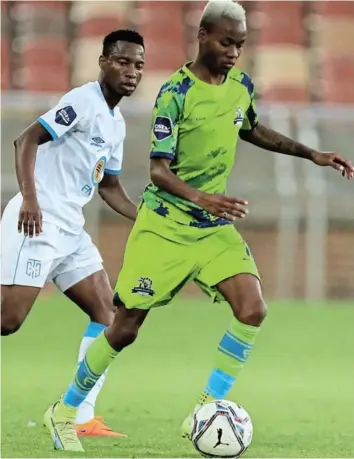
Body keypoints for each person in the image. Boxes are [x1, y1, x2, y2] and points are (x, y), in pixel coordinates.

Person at [43, 0, 354, 452]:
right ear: (203, 36)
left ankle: (206, 409)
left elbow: (251, 128)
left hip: (211, 228)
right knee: (125, 327)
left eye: (241, 45)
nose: (233, 52)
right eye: (226, 42)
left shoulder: (241, 86)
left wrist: (313, 154)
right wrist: (204, 196)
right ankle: (65, 410)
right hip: (164, 226)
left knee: (252, 309)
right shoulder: (176, 92)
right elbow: (158, 171)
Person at [1, 29, 145, 441]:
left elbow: (110, 186)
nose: (131, 71)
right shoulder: (84, 101)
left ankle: (79, 415)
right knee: (8, 321)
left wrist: (146, 219)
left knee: (109, 315)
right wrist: (31, 199)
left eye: (137, 64)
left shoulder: (115, 123)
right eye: (121, 61)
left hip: (71, 230)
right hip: (38, 220)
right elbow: (26, 139)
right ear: (103, 63)